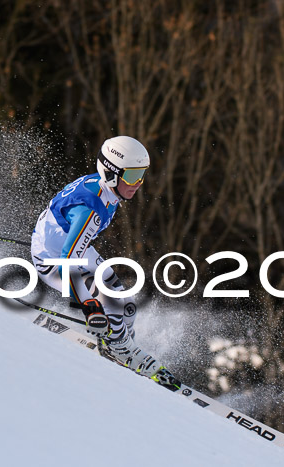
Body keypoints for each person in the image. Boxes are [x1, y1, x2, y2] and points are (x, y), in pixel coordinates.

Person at [31, 136, 180, 390]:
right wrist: (88, 303)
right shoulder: (92, 209)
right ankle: (119, 349)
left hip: (69, 247)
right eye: (132, 177)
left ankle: (120, 340)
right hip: (53, 261)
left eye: (142, 175)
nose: (138, 184)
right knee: (108, 300)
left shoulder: (103, 189)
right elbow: (68, 260)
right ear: (111, 174)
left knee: (127, 304)